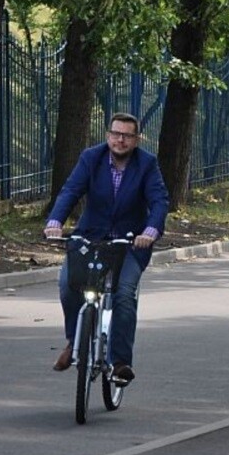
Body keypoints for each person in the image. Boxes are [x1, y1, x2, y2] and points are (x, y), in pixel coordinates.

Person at [44, 113, 170, 383]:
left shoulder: (147, 164)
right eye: (116, 134)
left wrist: (149, 232)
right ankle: (74, 342)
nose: (120, 140)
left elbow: (159, 201)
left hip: (129, 244)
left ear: (136, 140)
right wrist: (55, 222)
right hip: (90, 240)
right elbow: (70, 191)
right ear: (108, 135)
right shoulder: (91, 158)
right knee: (67, 285)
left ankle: (120, 361)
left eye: (127, 135)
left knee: (123, 294)